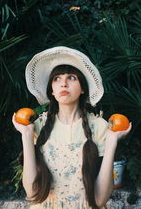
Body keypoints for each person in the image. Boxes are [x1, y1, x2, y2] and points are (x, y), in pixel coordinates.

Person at [12, 46, 131, 209]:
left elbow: (100, 200)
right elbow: (32, 194)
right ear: (52, 91)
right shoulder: (37, 126)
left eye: (71, 78)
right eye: (57, 79)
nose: (63, 84)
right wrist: (26, 135)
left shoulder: (100, 127)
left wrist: (112, 141)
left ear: (83, 88)